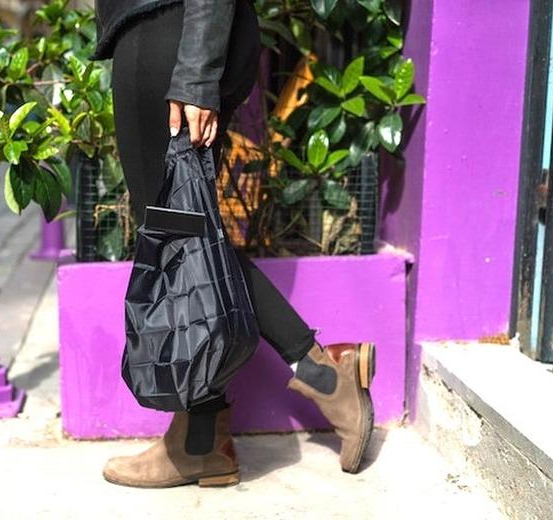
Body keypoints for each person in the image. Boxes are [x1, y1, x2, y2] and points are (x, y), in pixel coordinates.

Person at [93, 0, 377, 487]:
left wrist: (195, 75)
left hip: (170, 36)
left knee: (176, 242)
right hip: (175, 40)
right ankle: (206, 438)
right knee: (184, 240)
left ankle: (317, 382)